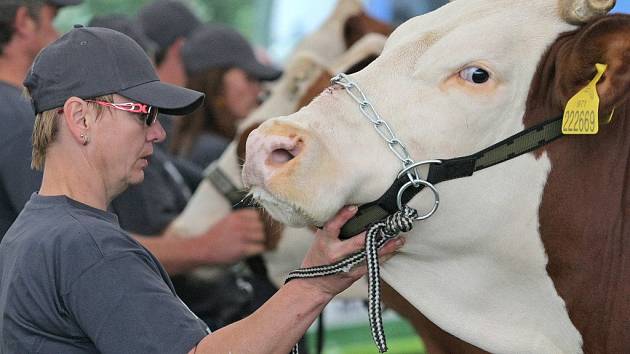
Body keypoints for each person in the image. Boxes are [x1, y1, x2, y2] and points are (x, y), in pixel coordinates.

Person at [0, 26, 404, 353]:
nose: (158, 133)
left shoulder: (30, 233)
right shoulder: (87, 245)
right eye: (144, 114)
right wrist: (317, 281)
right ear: (80, 117)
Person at [0, 0, 82, 239]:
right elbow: (63, 231)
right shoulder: (20, 117)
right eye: (52, 19)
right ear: (23, 21)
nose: (58, 34)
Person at [170, 24, 282, 168]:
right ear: (216, 83)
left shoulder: (187, 142)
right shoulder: (214, 152)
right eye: (250, 78)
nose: (258, 90)